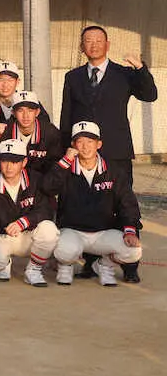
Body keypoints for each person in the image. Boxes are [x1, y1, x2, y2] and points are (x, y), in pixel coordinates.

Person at [59, 24, 156, 282]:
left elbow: (150, 94)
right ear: (82, 47)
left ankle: (130, 265)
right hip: (82, 154)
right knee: (87, 206)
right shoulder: (73, 76)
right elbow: (66, 115)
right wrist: (65, 149)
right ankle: (90, 262)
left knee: (124, 205)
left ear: (107, 44)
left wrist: (140, 69)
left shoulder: (124, 74)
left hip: (115, 151)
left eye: (98, 40)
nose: (93, 45)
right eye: (87, 41)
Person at [44, 122, 143, 287]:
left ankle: (104, 265)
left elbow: (128, 203)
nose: (85, 147)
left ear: (99, 144)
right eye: (80, 141)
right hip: (73, 231)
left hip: (103, 233)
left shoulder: (114, 170)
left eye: (90, 141)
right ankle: (65, 265)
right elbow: (47, 188)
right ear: (73, 145)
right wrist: (65, 162)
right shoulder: (65, 168)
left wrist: (130, 231)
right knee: (62, 249)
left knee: (134, 251)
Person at [0, 139, 58, 287]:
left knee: (49, 230)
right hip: (1, 236)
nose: (9, 166)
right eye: (5, 161)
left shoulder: (36, 179)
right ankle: (4, 262)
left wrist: (24, 222)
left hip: (28, 237)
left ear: (24, 162)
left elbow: (46, 210)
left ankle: (34, 269)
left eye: (14, 161)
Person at [0, 91, 62, 174]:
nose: (25, 116)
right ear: (13, 113)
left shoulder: (50, 132)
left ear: (37, 112)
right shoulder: (4, 129)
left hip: (40, 182)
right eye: (20, 110)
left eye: (30, 110)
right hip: (10, 180)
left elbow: (55, 167)